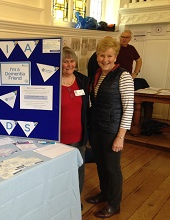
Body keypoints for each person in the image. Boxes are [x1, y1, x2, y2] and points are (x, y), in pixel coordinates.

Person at [86, 37, 134, 218]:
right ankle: (104, 193)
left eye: (109, 56)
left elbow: (129, 108)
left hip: (112, 130)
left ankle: (114, 204)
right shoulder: (98, 74)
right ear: (97, 56)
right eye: (101, 55)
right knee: (101, 163)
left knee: (113, 168)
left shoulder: (124, 76)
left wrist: (120, 136)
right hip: (97, 128)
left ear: (115, 57)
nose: (104, 59)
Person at [60, 46, 90, 210]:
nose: (69, 65)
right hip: (58, 139)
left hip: (78, 137)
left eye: (72, 61)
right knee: (60, 172)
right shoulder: (51, 81)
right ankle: (60, 201)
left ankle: (74, 200)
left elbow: (87, 109)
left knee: (78, 171)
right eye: (65, 61)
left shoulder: (83, 80)